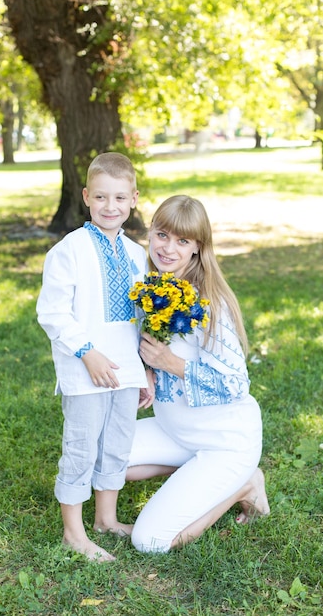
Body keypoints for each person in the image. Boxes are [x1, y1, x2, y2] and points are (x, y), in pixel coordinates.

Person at [126, 194, 270, 553]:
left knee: (149, 541)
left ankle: (244, 485)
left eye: (182, 241)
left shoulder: (207, 303)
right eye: (162, 235)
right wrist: (147, 369)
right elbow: (147, 344)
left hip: (224, 441)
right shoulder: (152, 286)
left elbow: (237, 384)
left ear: (197, 248)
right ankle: (197, 476)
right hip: (175, 431)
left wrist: (170, 364)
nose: (168, 248)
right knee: (103, 458)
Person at [36, 152, 149, 562]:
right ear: (86, 196)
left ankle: (106, 519)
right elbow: (52, 312)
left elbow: (140, 320)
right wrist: (87, 353)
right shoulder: (70, 250)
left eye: (120, 198)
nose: (110, 206)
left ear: (134, 198)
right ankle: (74, 532)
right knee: (82, 446)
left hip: (125, 369)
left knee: (117, 444)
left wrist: (143, 372)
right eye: (101, 197)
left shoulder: (138, 256)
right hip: (85, 369)